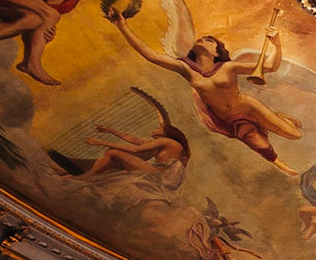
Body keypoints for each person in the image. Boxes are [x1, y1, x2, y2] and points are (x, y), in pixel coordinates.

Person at [106, 17, 304, 174]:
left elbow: (269, 66)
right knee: (257, 142)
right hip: (228, 119)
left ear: (216, 52)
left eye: (209, 40)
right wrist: (122, 26)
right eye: (201, 39)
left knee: (294, 135)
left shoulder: (228, 67)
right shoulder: (187, 69)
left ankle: (279, 118)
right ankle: (278, 162)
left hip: (247, 106)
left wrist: (276, 44)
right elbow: (151, 56)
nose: (202, 40)